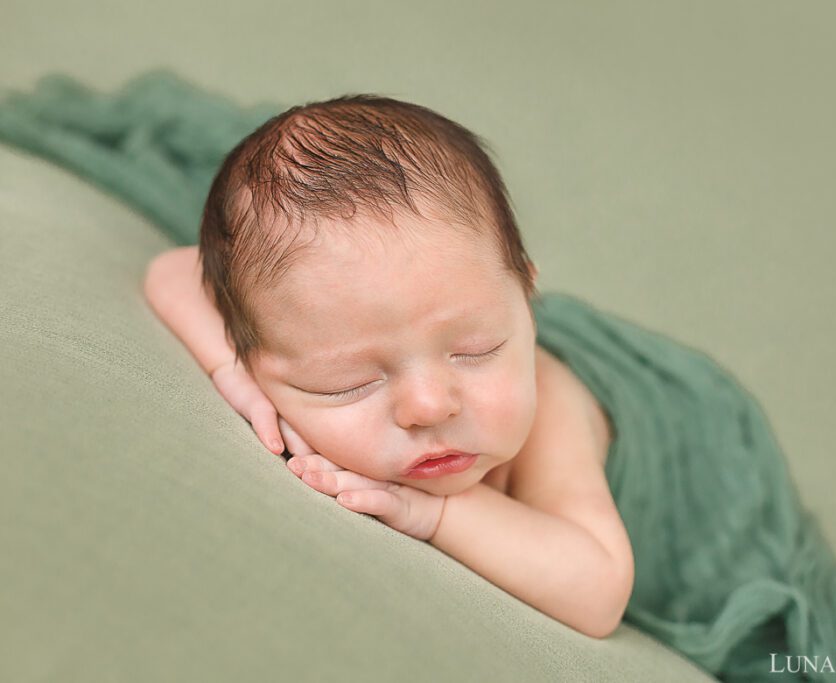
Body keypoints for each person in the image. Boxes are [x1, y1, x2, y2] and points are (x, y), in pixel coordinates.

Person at [143, 94, 633, 640]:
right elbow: (173, 270)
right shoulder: (288, 332)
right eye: (348, 383)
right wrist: (232, 373)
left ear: (527, 299)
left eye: (475, 351)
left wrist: (435, 516)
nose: (428, 406)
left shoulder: (551, 406)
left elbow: (599, 589)